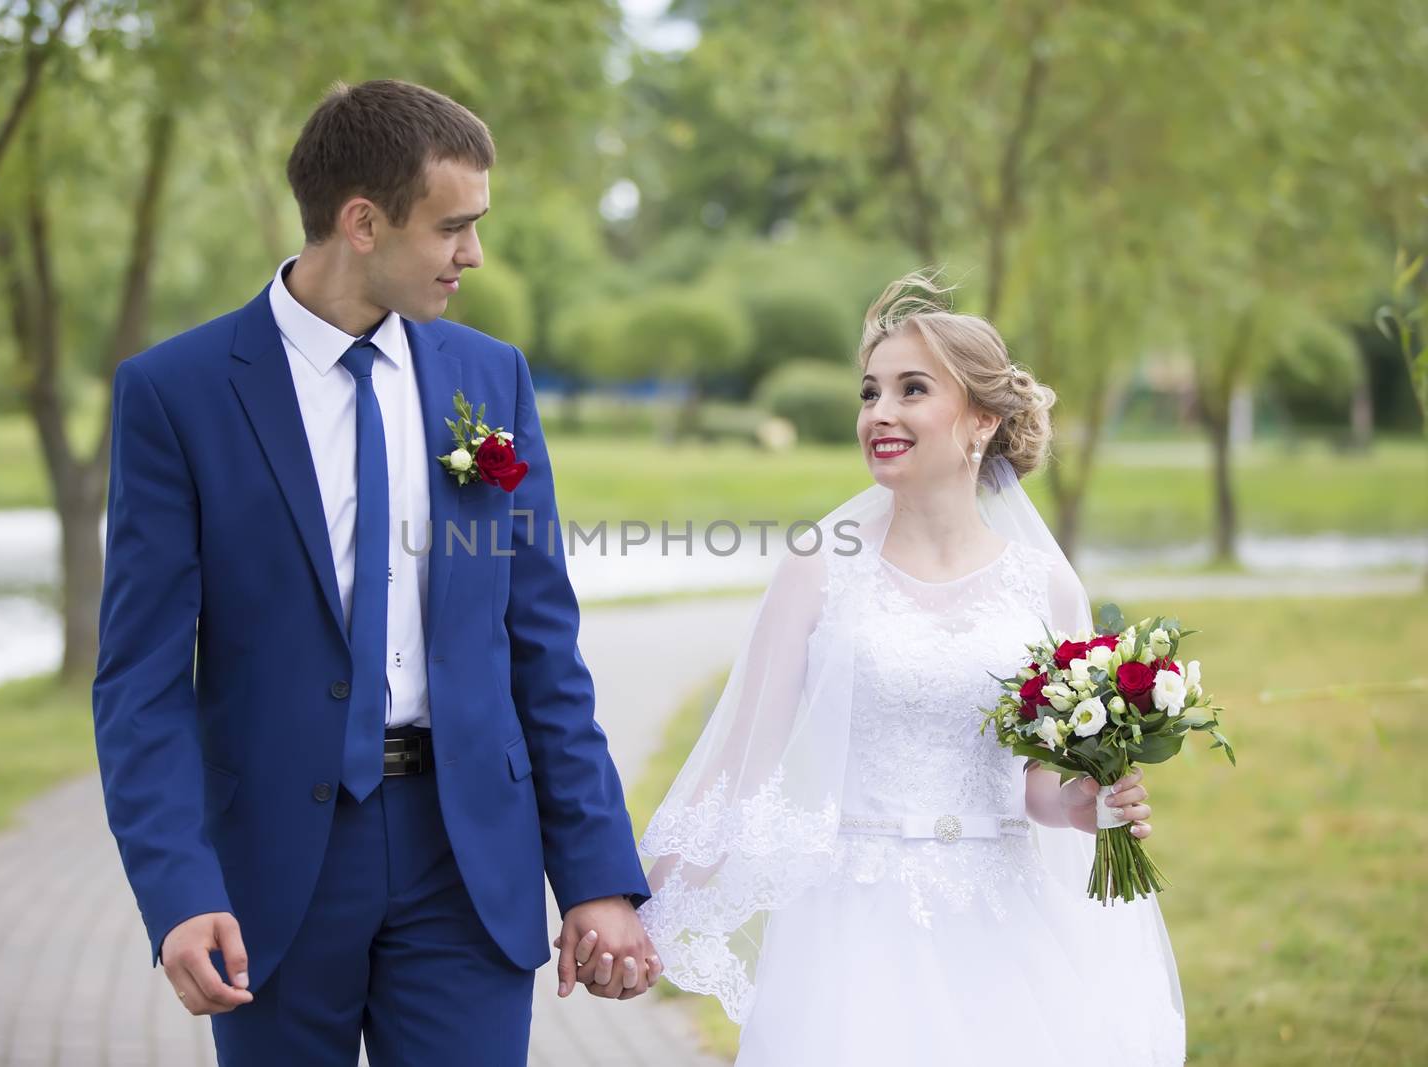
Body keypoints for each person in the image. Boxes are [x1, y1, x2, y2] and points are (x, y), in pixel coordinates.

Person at [92, 79, 655, 1067]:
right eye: (453, 227)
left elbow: (541, 651)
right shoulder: (174, 394)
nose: (471, 254)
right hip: (271, 870)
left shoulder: (491, 380)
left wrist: (597, 873)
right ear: (361, 221)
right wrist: (179, 889)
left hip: (465, 858)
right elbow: (140, 682)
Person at [638, 271, 1185, 1065]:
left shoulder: (1046, 587)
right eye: (870, 392)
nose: (880, 413)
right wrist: (641, 907)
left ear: (981, 420)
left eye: (912, 389)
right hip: (852, 928)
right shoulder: (819, 568)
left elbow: (1038, 788)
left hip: (1001, 925)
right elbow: (741, 762)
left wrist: (1092, 804)